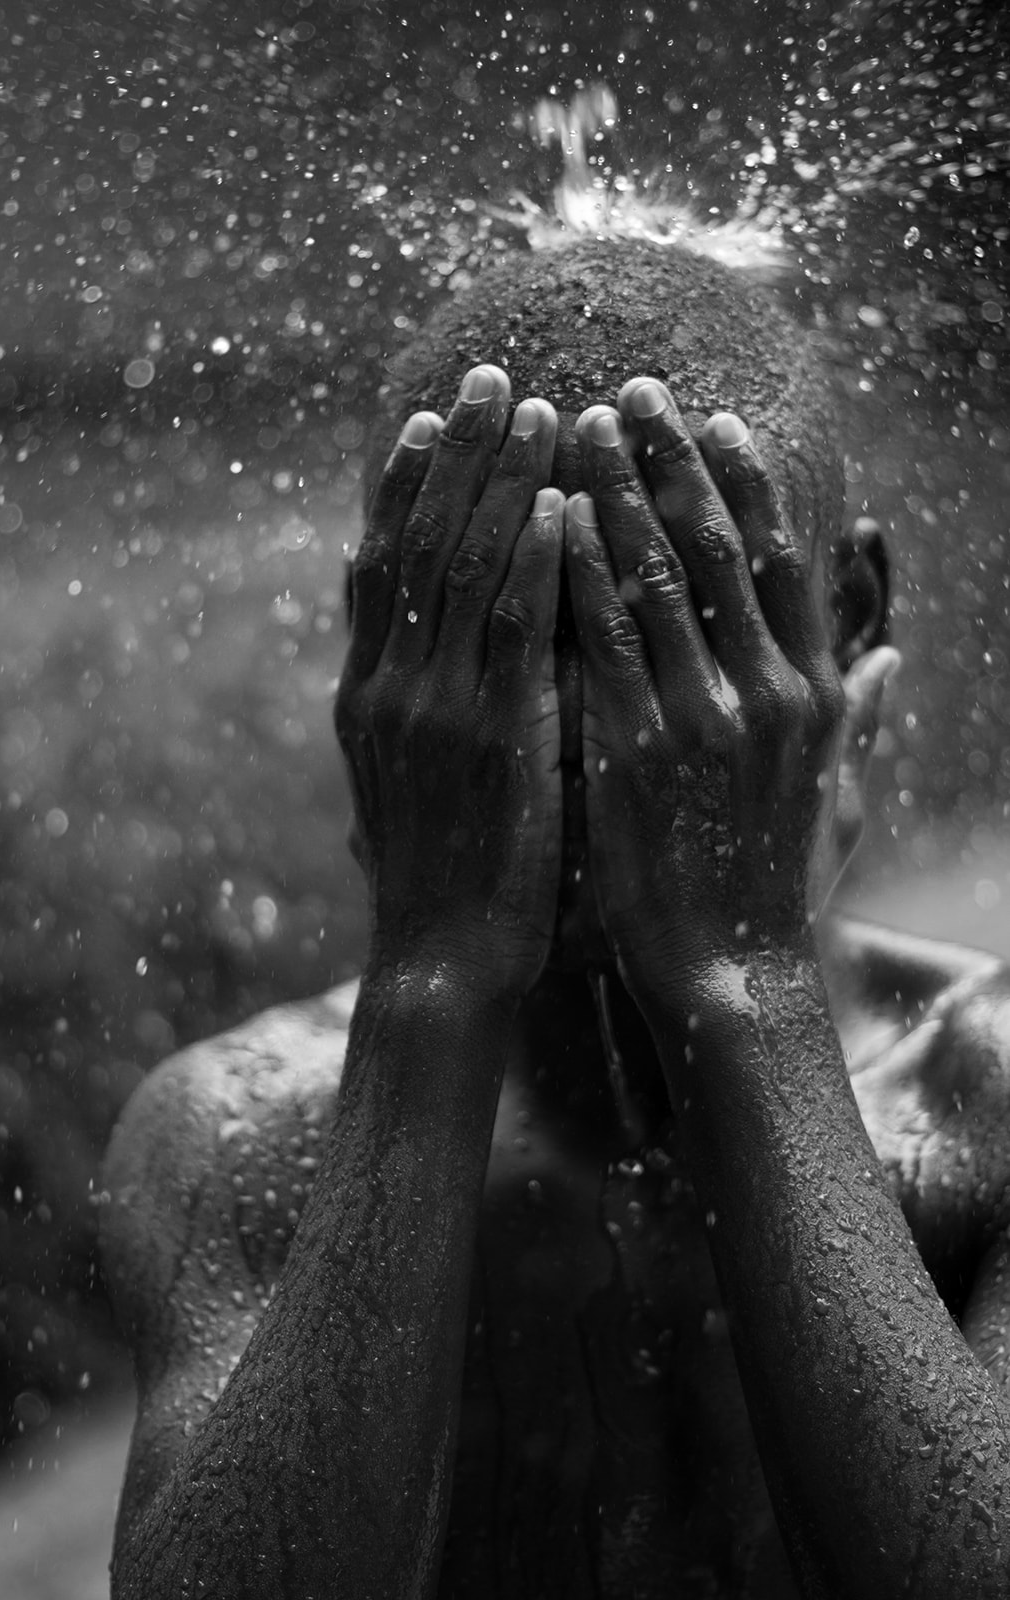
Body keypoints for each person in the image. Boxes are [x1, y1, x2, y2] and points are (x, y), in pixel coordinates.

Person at [100, 239, 1010, 1599]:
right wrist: (432, 973)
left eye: (677, 621)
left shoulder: (985, 1093)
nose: (601, 727)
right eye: (503, 636)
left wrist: (741, 974)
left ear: (852, 612)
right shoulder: (237, 1138)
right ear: (384, 660)